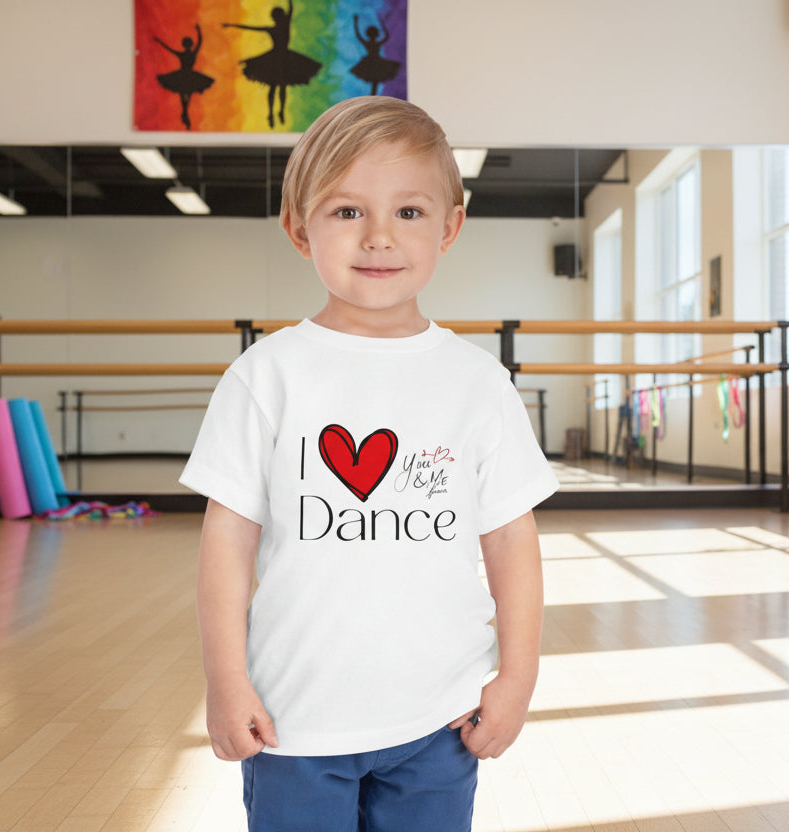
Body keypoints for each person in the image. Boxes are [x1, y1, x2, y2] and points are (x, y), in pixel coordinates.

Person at [180, 95, 558, 831]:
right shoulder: (265, 376)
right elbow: (226, 542)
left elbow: (512, 539)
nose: (379, 237)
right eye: (348, 212)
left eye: (409, 212)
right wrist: (225, 681)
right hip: (293, 721)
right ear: (300, 229)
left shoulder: (477, 383)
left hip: (439, 716)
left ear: (449, 227)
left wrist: (518, 675)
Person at [222, 1, 321, 129]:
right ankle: (271, 113)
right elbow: (252, 28)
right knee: (275, 87)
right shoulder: (278, 27)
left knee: (280, 87)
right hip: (276, 60)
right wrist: (231, 25)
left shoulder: (283, 25)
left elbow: (290, 10)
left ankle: (278, 112)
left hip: (283, 59)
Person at [153, 24, 214, 130]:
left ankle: (184, 115)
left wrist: (159, 42)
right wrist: (199, 31)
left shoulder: (182, 54)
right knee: (187, 96)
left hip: (183, 76)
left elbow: (168, 48)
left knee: (183, 96)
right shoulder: (192, 53)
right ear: (190, 45)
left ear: (184, 45)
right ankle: (185, 115)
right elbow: (199, 42)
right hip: (188, 76)